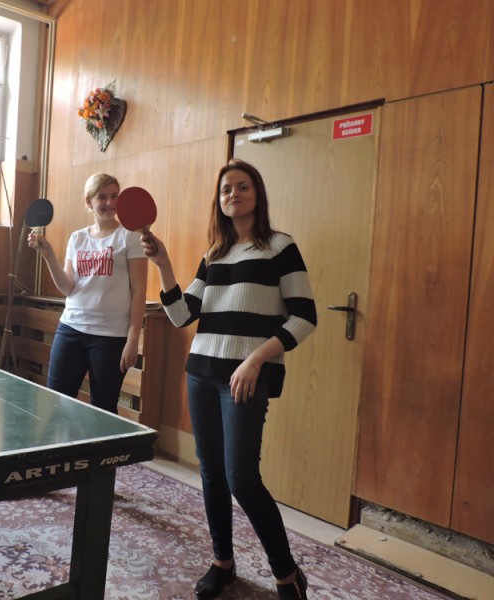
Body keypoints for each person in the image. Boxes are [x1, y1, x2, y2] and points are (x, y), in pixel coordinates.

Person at [140, 159, 316, 599]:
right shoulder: (214, 254)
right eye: (225, 190)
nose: (233, 194)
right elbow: (182, 315)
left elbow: (305, 317)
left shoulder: (280, 247)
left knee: (242, 478)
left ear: (257, 194)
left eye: (242, 186)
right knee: (212, 474)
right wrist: (163, 264)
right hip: (201, 373)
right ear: (218, 201)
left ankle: (287, 574)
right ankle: (223, 561)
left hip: (245, 377)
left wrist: (256, 359)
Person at [27, 173, 147, 414]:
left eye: (114, 196)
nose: (110, 203)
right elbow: (67, 288)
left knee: (103, 409)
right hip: (71, 329)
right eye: (102, 197)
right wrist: (49, 255)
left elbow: (138, 292)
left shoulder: (130, 237)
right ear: (89, 201)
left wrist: (133, 340)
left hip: (110, 337)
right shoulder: (77, 238)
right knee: (56, 402)